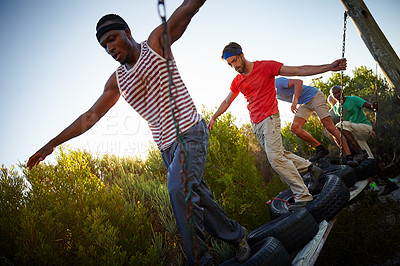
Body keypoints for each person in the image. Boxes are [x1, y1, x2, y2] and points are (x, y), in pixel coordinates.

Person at [26, 4, 251, 265]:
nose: (110, 48)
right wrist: (52, 143)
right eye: (104, 46)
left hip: (189, 132)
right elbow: (90, 116)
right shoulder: (117, 80)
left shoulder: (156, 44)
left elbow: (188, 9)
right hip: (167, 149)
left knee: (178, 188)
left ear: (127, 33)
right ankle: (238, 236)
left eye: (112, 39)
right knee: (197, 198)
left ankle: (201, 261)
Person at [208, 42, 346, 210]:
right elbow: (226, 101)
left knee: (275, 159)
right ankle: (311, 169)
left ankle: (303, 195)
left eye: (235, 60)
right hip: (256, 124)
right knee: (280, 154)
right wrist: (214, 117)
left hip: (270, 118)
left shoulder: (265, 67)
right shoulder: (237, 81)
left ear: (242, 55)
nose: (234, 66)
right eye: (230, 64)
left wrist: (329, 67)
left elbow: (298, 70)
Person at [330, 85, 399, 195]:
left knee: (339, 125)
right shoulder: (337, 108)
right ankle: (389, 184)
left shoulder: (354, 99)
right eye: (335, 94)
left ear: (342, 91)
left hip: (364, 127)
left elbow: (370, 107)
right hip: (355, 134)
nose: (337, 95)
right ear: (333, 96)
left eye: (339, 92)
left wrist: (374, 107)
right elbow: (348, 125)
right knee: (370, 161)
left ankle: (360, 152)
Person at [274, 77, 357, 164]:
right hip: (304, 103)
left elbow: (298, 82)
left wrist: (295, 101)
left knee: (329, 126)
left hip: (315, 96)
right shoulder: (267, 93)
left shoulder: (277, 82)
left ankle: (349, 155)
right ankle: (320, 149)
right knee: (295, 128)